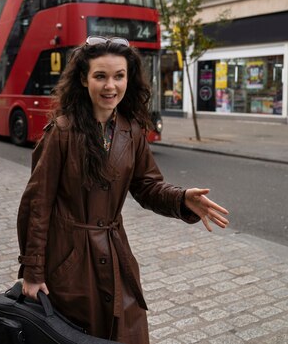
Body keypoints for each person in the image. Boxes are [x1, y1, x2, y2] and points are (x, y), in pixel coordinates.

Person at [17, 36, 229, 344]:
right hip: (69, 262)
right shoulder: (62, 132)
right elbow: (37, 205)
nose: (110, 86)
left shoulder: (132, 131)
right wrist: (33, 273)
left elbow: (147, 186)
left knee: (129, 331)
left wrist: (182, 199)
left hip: (116, 256)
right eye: (100, 76)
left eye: (119, 76)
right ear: (83, 79)